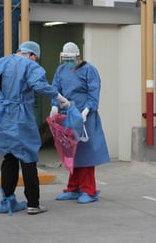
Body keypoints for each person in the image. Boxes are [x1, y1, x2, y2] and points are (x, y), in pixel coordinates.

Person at [0, 41, 70, 215]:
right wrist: (59, 97)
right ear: (32, 55)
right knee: (28, 158)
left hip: (1, 117)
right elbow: (39, 85)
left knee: (9, 158)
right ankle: (33, 204)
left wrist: (0, 102)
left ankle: (7, 202)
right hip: (20, 117)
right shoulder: (30, 66)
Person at [49, 42, 110, 204]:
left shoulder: (89, 70)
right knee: (71, 154)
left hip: (86, 118)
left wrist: (87, 110)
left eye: (71, 59)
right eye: (65, 59)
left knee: (86, 154)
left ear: (78, 57)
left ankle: (89, 190)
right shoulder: (61, 70)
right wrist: (55, 106)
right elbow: (56, 89)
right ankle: (73, 188)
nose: (68, 62)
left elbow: (94, 92)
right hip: (67, 116)